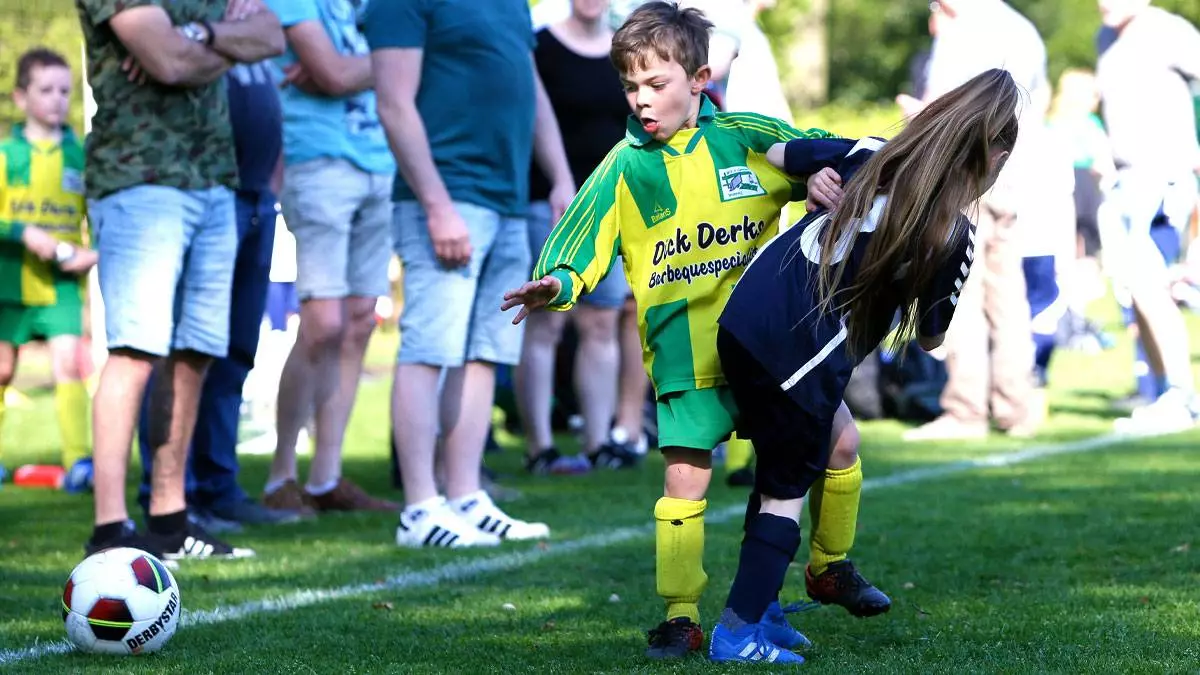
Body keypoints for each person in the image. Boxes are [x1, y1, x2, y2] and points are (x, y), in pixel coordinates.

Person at [501, 1, 859, 659]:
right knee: (685, 486)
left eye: (656, 84)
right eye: (631, 86)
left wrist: (824, 175)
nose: (641, 100)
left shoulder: (741, 136)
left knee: (835, 443)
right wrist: (557, 280)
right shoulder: (624, 166)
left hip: (764, 350)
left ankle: (825, 566)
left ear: (698, 78)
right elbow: (580, 236)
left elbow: (806, 149)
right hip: (683, 357)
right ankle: (681, 614)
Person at [709, 68, 1020, 663]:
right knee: (784, 489)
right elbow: (929, 339)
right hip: (799, 356)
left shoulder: (868, 153)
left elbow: (777, 146)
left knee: (836, 443)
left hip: (744, 318)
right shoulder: (951, 231)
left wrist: (810, 173)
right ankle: (737, 632)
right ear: (994, 155)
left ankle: (769, 605)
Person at [77, 0, 284, 558]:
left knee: (195, 351)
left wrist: (196, 35)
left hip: (216, 180)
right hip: (138, 180)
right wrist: (222, 41)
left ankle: (171, 519)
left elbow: (270, 36)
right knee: (135, 350)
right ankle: (110, 528)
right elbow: (166, 63)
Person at [365, 0, 575, 547]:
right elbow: (393, 103)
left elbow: (530, 90)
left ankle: (465, 495)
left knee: (488, 351)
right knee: (429, 347)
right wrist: (436, 204)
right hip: (447, 196)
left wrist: (559, 176)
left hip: (506, 200)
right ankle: (419, 508)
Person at [135, 55, 303, 531]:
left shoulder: (252, 23)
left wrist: (269, 189)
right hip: (206, 197)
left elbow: (271, 45)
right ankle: (171, 494)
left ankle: (219, 487)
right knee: (186, 351)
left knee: (235, 353)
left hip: (254, 200)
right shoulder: (196, 19)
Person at [260, 0, 400, 514]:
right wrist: (391, 62)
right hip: (316, 159)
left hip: (380, 161)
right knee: (322, 323)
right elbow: (336, 72)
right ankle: (280, 476)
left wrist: (353, 72)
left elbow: (346, 73)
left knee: (361, 320)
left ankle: (326, 478)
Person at [900, 0, 1047, 441]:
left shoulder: (962, 33)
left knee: (959, 293)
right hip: (1015, 174)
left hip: (968, 177)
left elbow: (942, 111)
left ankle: (965, 412)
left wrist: (914, 114)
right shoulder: (1023, 29)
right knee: (1008, 299)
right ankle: (1016, 407)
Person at [516, 0, 640, 475]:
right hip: (549, 201)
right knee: (546, 320)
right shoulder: (541, 46)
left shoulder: (623, 52)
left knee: (602, 322)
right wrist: (557, 183)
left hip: (608, 209)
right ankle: (540, 447)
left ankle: (596, 442)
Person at [1094, 0, 1200, 430]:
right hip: (1123, 179)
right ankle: (1161, 392)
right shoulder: (1106, 36)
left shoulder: (1170, 31)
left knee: (1149, 284)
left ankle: (1181, 395)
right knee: (1134, 289)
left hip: (1163, 176)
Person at [0, 49, 96, 491]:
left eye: (65, 91)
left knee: (68, 366)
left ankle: (79, 461)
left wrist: (89, 254)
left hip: (61, 285)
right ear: (21, 97)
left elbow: (94, 221)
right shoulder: (7, 154)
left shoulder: (81, 157)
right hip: (9, 281)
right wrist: (23, 232)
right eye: (46, 90)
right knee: (2, 370)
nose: (57, 100)